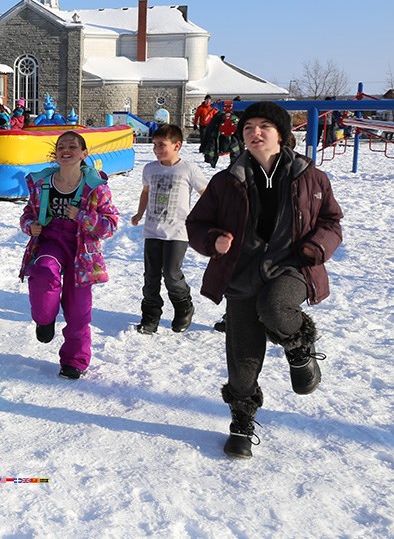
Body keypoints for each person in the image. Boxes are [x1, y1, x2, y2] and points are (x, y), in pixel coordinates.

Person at [187, 101, 343, 459]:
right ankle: (241, 423)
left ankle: (300, 348)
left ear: (281, 135)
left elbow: (332, 222)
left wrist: (316, 248)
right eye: (248, 128)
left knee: (274, 306)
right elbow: (196, 224)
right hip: (240, 274)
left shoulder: (310, 176)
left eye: (263, 127)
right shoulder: (227, 181)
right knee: (242, 361)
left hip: (293, 266)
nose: (254, 134)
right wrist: (214, 240)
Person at [19, 130, 119, 379]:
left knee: (78, 309)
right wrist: (29, 225)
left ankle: (74, 360)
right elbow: (28, 213)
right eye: (61, 146)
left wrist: (83, 216)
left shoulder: (96, 187)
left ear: (84, 154)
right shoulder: (42, 182)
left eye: (72, 146)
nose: (66, 150)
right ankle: (44, 318)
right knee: (42, 271)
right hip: (51, 241)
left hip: (82, 251)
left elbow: (111, 225)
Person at [129, 124, 209, 333]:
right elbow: (145, 192)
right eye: (154, 145)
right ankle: (150, 317)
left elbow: (206, 194)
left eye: (161, 145)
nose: (156, 149)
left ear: (177, 145)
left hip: (178, 232)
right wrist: (139, 213)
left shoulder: (188, 169)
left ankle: (184, 307)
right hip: (153, 230)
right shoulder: (150, 169)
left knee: (172, 274)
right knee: (151, 277)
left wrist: (202, 218)